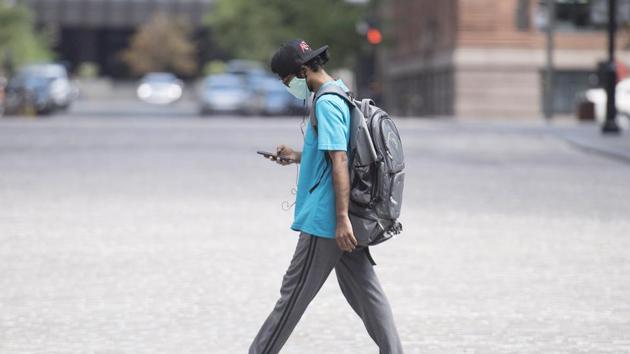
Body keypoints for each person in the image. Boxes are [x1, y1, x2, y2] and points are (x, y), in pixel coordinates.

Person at [249, 39, 403, 354]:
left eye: (287, 80)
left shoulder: (326, 103)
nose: (288, 86)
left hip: (328, 220)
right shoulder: (341, 92)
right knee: (367, 293)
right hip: (341, 219)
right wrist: (294, 156)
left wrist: (342, 219)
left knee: (291, 297)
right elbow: (334, 154)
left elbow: (340, 162)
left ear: (304, 70)